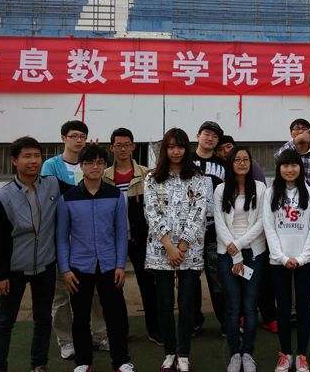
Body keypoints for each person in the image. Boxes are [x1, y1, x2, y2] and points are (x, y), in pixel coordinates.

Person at [0, 137, 66, 372]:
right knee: (5, 322)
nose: (33, 161)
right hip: (14, 270)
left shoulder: (53, 184)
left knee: (43, 319)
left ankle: (39, 365)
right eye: (27, 156)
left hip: (45, 266)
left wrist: (86, 154)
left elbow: (82, 188)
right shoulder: (3, 196)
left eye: (37, 156)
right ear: (14, 160)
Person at [56, 144, 134, 372]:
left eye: (100, 162)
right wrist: (65, 269)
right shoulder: (67, 198)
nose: (95, 167)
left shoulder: (115, 195)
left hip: (110, 266)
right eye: (89, 163)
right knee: (80, 317)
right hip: (79, 267)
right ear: (81, 166)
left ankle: (121, 361)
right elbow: (62, 237)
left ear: (105, 166)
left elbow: (121, 233)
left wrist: (120, 265)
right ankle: (83, 362)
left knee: (115, 316)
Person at [41, 120, 107, 359]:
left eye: (83, 136)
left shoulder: (91, 163)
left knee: (96, 292)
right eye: (74, 136)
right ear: (63, 138)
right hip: (61, 238)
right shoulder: (51, 165)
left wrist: (94, 158)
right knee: (62, 294)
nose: (79, 140)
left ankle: (100, 335)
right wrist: (83, 184)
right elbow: (53, 193)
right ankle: (66, 340)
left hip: (90, 240)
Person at [144, 128, 209, 372]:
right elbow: (151, 212)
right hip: (161, 250)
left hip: (189, 250)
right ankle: (169, 352)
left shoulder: (198, 177)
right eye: (171, 147)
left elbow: (199, 212)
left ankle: (183, 354)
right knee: (164, 304)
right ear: (165, 149)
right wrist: (169, 246)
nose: (176, 151)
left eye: (180, 146)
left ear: (186, 149)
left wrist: (182, 245)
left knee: (186, 304)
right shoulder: (152, 178)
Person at [263, 149, 310, 372]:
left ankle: (302, 355)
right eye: (285, 165)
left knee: (304, 309)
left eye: (294, 165)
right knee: (284, 309)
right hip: (279, 261)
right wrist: (282, 257)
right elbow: (269, 227)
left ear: (300, 167)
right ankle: (286, 354)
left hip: (305, 261)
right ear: (279, 168)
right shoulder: (270, 193)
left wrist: (304, 257)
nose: (290, 169)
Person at [103, 127, 161, 345]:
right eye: (118, 145)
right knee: (114, 286)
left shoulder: (147, 174)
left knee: (148, 284)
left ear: (133, 146)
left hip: (142, 238)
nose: (123, 149)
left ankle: (155, 329)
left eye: (126, 145)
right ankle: (120, 330)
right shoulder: (104, 176)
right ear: (111, 148)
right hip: (113, 239)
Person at [214, 147, 267, 372]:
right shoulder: (220, 189)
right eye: (237, 159)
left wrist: (240, 245)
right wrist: (235, 253)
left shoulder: (261, 188)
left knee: (250, 306)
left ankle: (248, 354)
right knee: (233, 307)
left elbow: (262, 222)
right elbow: (219, 224)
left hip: (253, 254)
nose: (242, 163)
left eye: (246, 159)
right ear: (230, 163)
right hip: (227, 254)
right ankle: (235, 353)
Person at [192, 120, 227, 336]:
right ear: (198, 135)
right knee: (190, 281)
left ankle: (226, 322)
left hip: (215, 230)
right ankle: (194, 322)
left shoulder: (223, 165)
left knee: (218, 280)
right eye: (206, 133)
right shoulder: (185, 161)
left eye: (215, 136)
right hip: (190, 232)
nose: (210, 138)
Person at [274, 119, 310, 183]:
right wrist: (297, 140)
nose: (300, 131)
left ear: (309, 132)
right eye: (297, 128)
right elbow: (277, 157)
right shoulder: (286, 151)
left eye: (304, 128)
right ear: (291, 133)